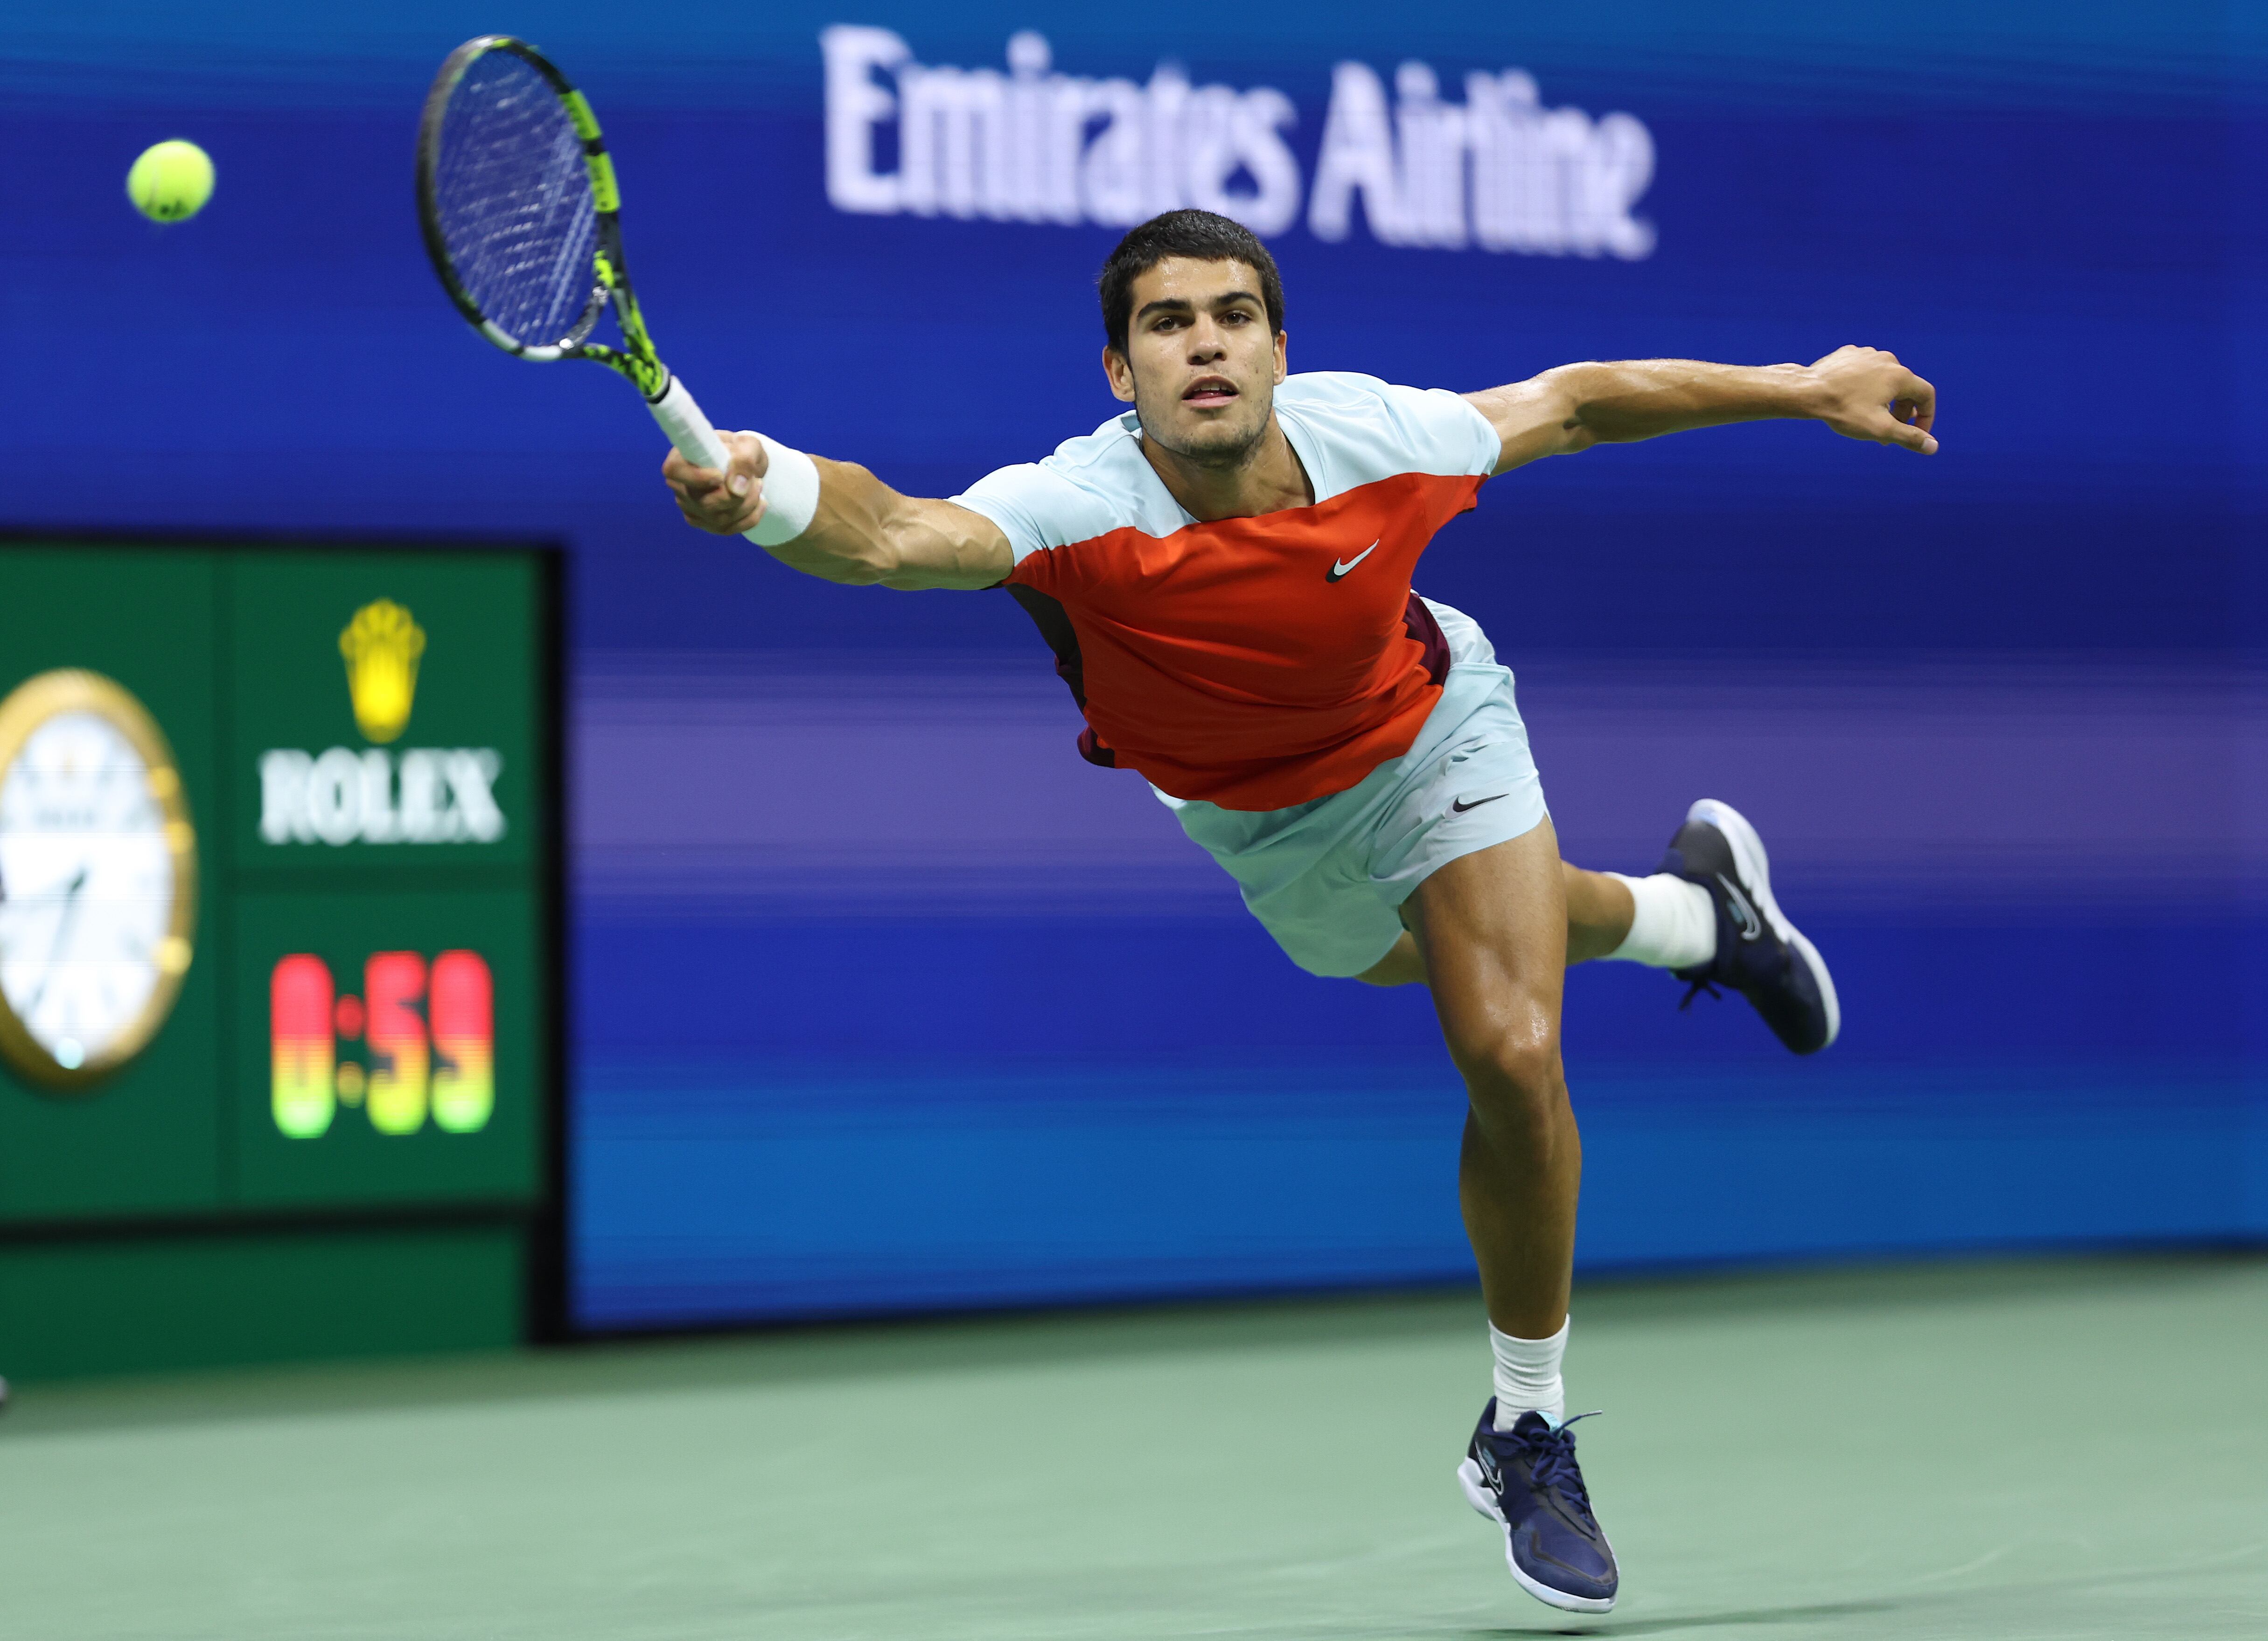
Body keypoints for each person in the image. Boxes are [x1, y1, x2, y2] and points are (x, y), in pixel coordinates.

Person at [663, 209, 1936, 1615]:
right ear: (1117, 371)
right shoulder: (1078, 508)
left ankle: (1527, 1423)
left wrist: (1809, 386)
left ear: (1278, 347)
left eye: (1230, 315)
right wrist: (767, 485)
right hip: (1255, 821)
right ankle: (1696, 918)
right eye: (1166, 322)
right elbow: (894, 532)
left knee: (1507, 1044)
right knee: (1426, 959)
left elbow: (1576, 404)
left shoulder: (1376, 438)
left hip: (1433, 732)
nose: (1202, 342)